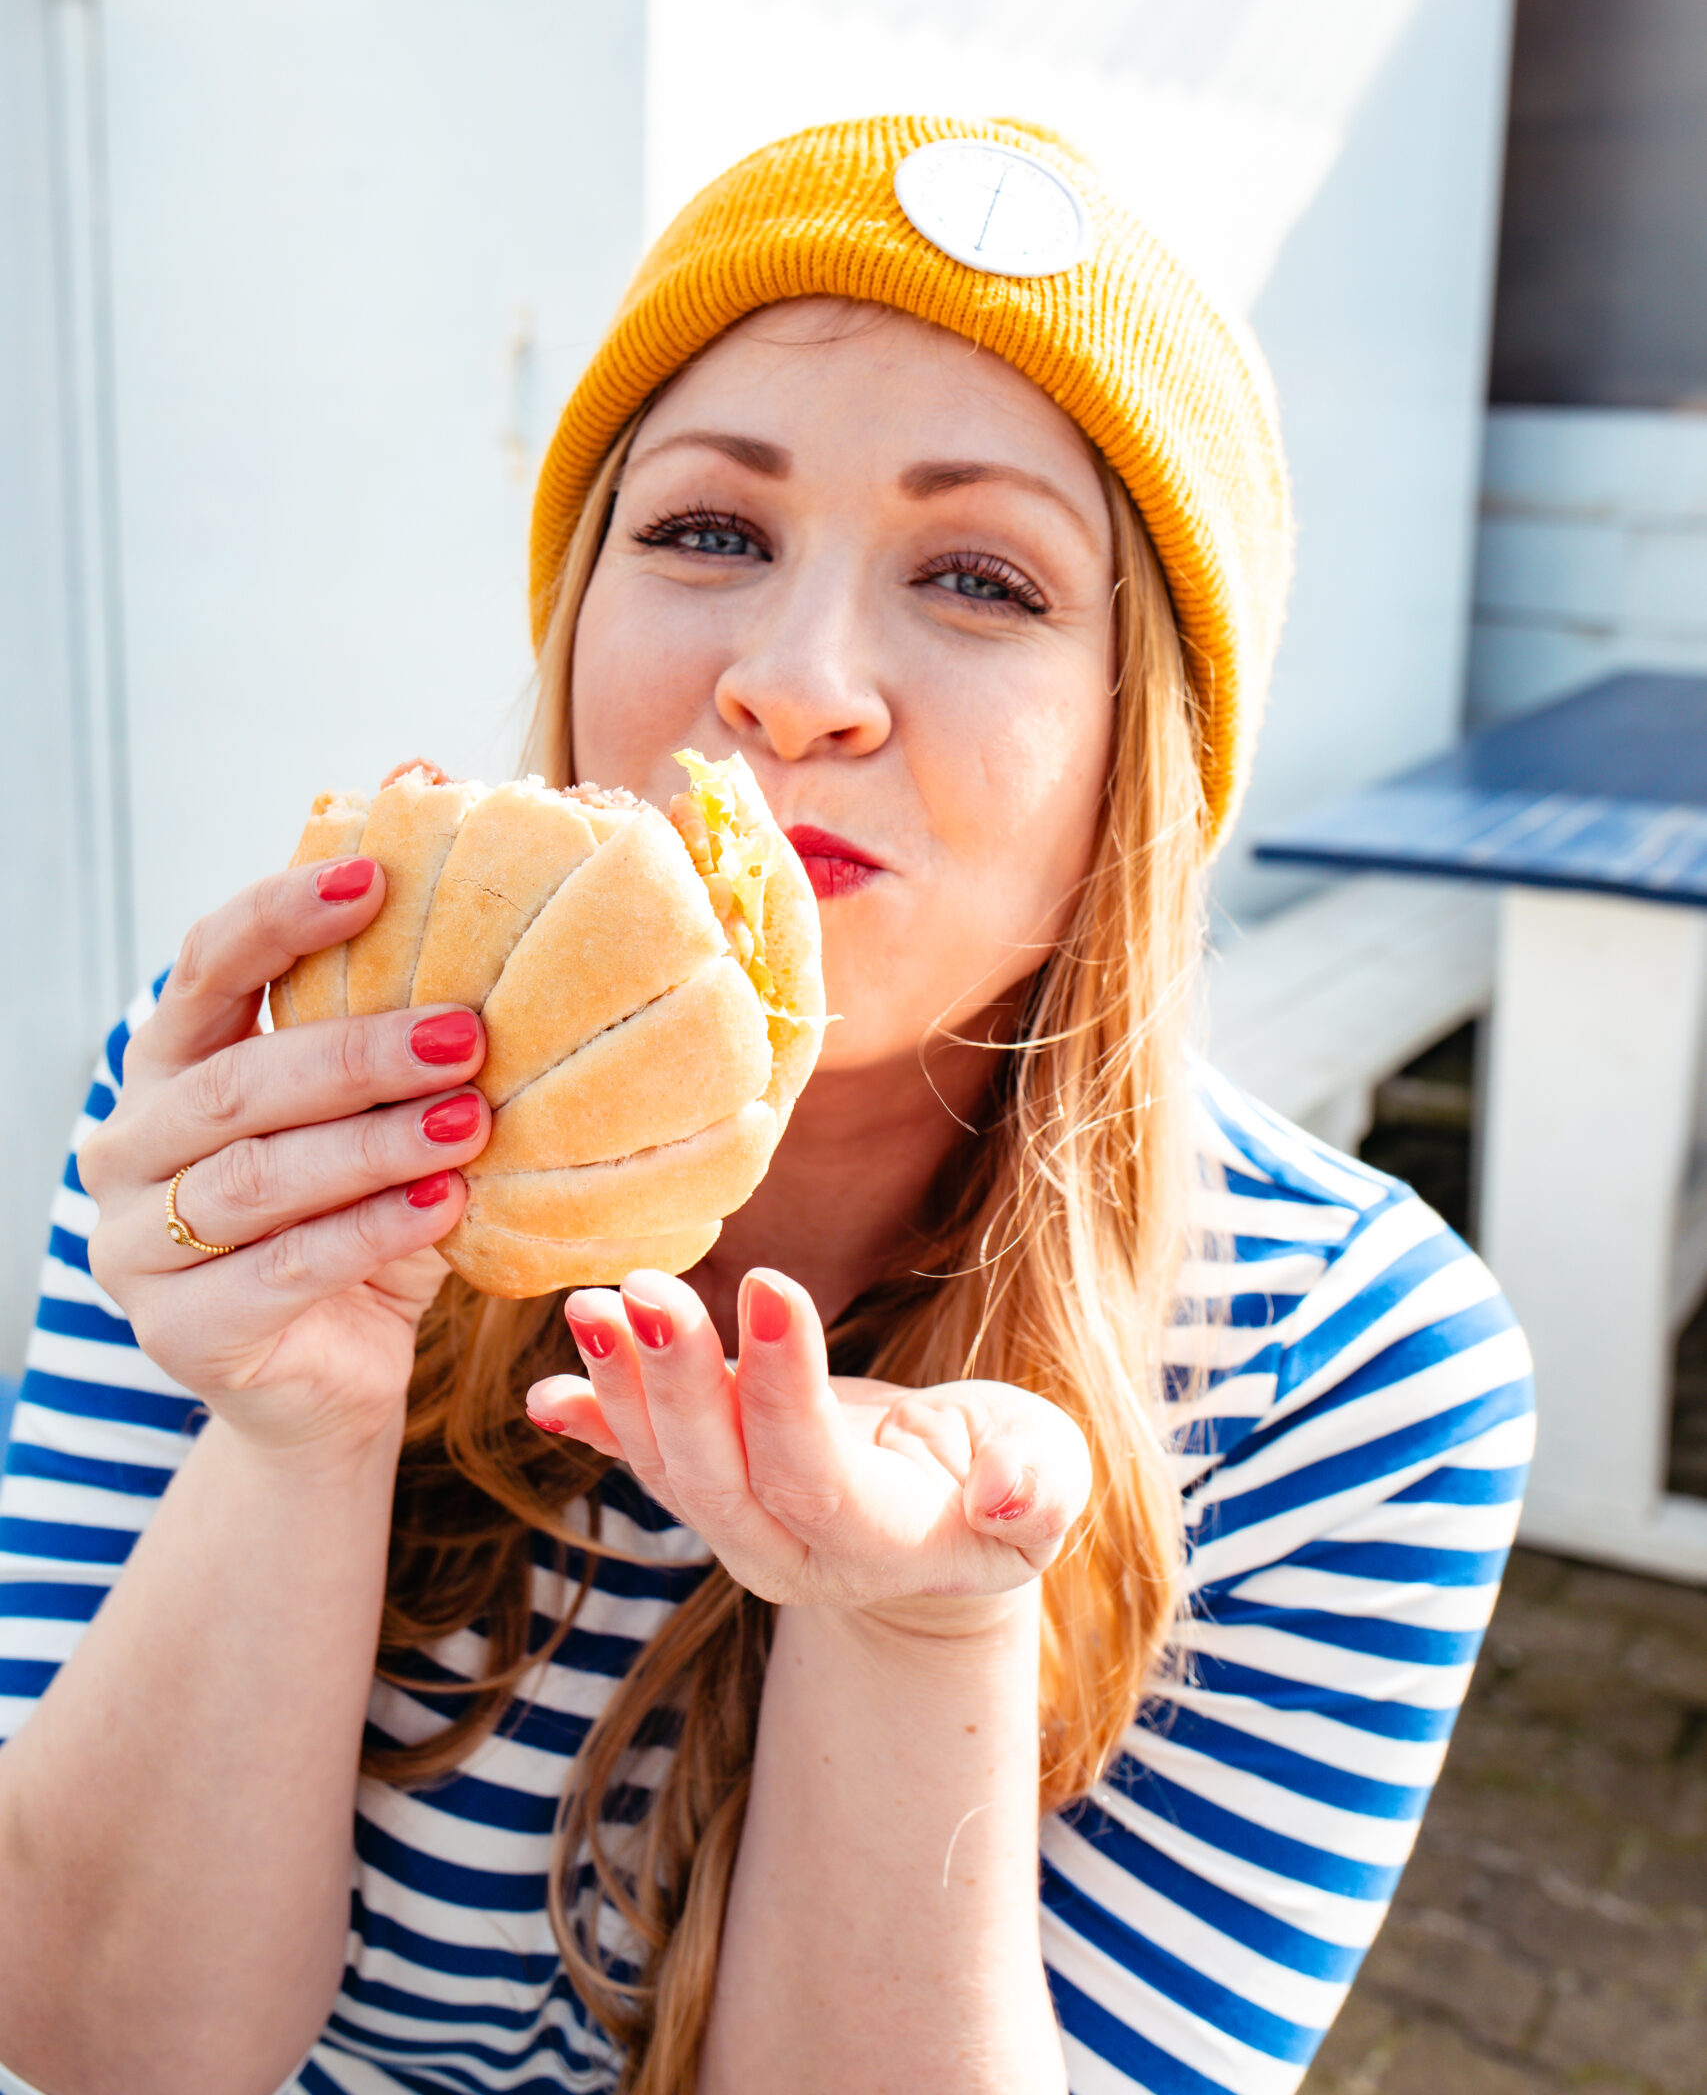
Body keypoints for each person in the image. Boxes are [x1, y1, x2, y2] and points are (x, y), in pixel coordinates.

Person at [0, 116, 1533, 2095]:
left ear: (1130, 751)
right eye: (708, 531)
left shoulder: (1350, 1367)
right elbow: (100, 2030)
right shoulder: (272, 1108)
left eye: (978, 577)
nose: (794, 684)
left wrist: (917, 1633)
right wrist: (299, 1429)